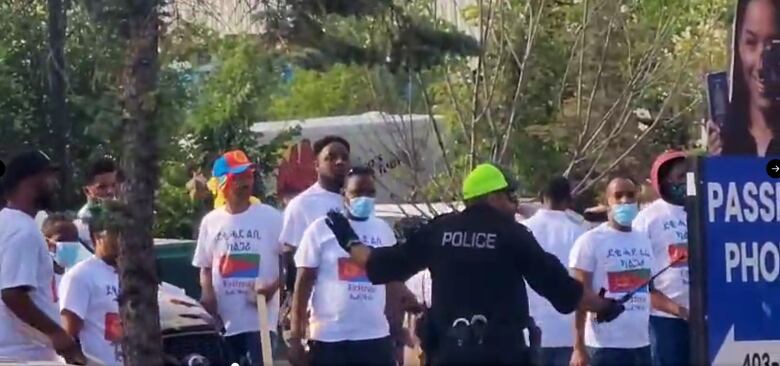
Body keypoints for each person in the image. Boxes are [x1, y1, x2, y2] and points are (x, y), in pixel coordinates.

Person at [320, 163, 625, 365]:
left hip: (450, 355)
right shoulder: (513, 234)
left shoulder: (439, 230)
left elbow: (380, 265)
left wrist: (349, 240)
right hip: (503, 356)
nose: (514, 202)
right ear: (492, 196)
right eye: (509, 195)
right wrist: (605, 307)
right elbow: (561, 290)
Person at [289, 166, 404, 366]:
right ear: (344, 195)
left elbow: (392, 282)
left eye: (370, 193)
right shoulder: (321, 228)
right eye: (358, 192)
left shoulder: (384, 231)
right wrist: (296, 338)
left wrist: (396, 329)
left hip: (374, 337)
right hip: (330, 339)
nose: (365, 198)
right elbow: (303, 284)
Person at [569, 177, 679, 366]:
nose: (625, 201)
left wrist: (683, 312)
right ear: (607, 202)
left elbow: (649, 290)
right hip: (604, 348)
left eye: (630, 195)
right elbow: (578, 298)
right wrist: (578, 348)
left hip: (641, 345)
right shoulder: (590, 241)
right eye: (618, 196)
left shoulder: (643, 240)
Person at [192, 150, 284, 366]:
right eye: (238, 178)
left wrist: (272, 287)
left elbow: (289, 264)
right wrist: (208, 295)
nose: (245, 183)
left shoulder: (270, 217)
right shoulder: (211, 221)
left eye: (248, 176)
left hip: (259, 321)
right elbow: (204, 265)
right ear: (222, 182)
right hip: (224, 322)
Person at [0, 150, 86, 364]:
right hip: (24, 356)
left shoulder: (6, 223)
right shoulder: (23, 230)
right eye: (50, 176)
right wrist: (58, 334)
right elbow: (12, 294)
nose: (55, 184)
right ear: (33, 180)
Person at [632, 151, 691, 366]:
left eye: (690, 175)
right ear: (664, 181)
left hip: (708, 321)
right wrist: (679, 311)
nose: (686, 181)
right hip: (666, 322)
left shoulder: (706, 210)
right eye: (680, 176)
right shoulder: (647, 219)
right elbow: (639, 282)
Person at [521, 177, 585, 366]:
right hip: (568, 333)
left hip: (529, 333)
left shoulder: (523, 230)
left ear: (542, 197)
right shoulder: (580, 232)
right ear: (568, 200)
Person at [58, 201, 126, 365]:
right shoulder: (81, 276)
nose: (123, 239)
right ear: (97, 236)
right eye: (115, 233)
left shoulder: (135, 276)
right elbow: (68, 336)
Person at [709, 0, 780, 156]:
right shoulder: (725, 144)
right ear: (738, 47)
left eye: (773, 46)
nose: (761, 65)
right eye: (751, 43)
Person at [75, 157, 119, 249]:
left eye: (113, 185)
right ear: (87, 191)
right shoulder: (83, 222)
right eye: (102, 187)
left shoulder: (122, 212)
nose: (110, 191)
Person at [41, 214, 90, 290]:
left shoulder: (81, 276)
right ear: (46, 241)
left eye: (73, 239)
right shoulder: (36, 278)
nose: (69, 244)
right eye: (62, 240)